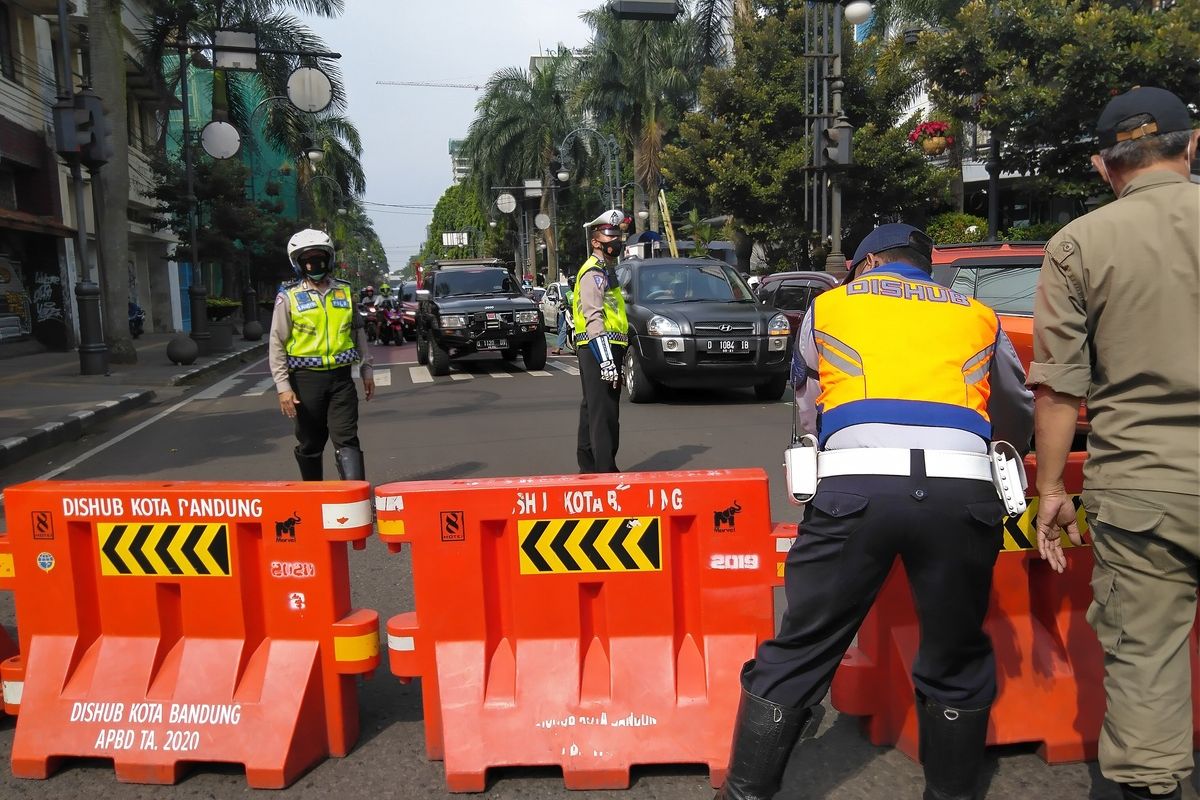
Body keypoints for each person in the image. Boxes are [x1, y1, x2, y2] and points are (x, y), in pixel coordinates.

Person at [718, 223, 1034, 800]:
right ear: (924, 265)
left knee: (804, 644)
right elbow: (1015, 404)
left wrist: (824, 457)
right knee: (956, 650)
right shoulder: (976, 312)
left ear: (863, 265)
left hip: (854, 488)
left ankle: (744, 794)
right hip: (961, 491)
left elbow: (809, 403)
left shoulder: (830, 306)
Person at [1030, 87, 1199, 800]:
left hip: (1143, 485)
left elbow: (1061, 387)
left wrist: (1050, 491)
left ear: (1104, 168)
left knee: (1146, 669)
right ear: (1193, 146)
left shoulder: (1079, 244)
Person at [270, 228, 375, 481]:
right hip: (305, 381)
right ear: (298, 263)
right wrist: (283, 387)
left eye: (319, 258)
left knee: (347, 437)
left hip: (341, 379)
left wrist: (367, 370)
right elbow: (276, 342)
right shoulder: (289, 298)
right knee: (310, 442)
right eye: (307, 259)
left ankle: (353, 499)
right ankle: (313, 496)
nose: (314, 264)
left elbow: (358, 334)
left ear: (329, 260)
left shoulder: (344, 293)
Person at [571, 209, 630, 473]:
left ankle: (589, 467)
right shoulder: (593, 272)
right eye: (609, 234)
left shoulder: (606, 270)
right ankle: (605, 473)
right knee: (604, 412)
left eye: (618, 234)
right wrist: (606, 360)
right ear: (595, 241)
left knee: (592, 408)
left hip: (601, 347)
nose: (615, 239)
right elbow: (593, 317)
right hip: (598, 347)